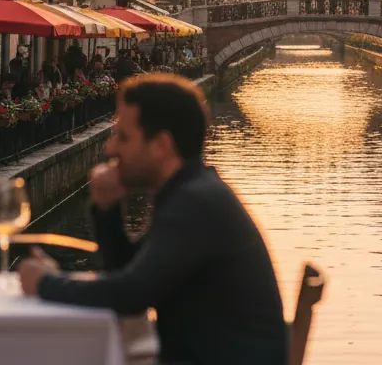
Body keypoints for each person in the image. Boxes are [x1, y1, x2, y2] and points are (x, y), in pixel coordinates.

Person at [16, 74, 286, 365]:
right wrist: (107, 208)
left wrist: (45, 284)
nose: (110, 149)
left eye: (124, 137)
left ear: (161, 145)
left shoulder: (194, 204)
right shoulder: (191, 193)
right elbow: (129, 273)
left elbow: (130, 295)